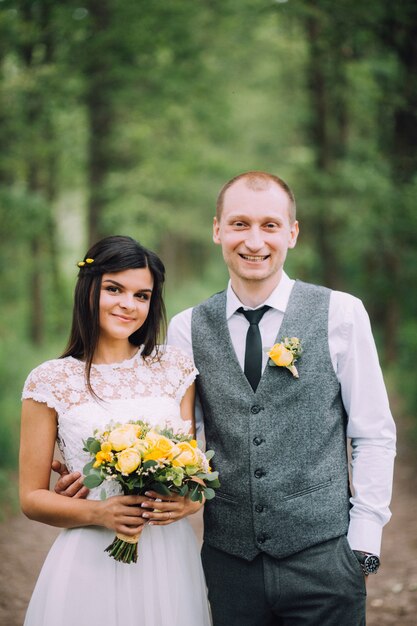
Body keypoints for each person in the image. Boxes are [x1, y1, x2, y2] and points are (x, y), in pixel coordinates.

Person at [55, 172, 396, 626]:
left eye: (270, 225)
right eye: (239, 224)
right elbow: (179, 437)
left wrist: (363, 545)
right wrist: (96, 473)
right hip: (228, 563)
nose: (254, 240)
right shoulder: (185, 327)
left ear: (292, 233)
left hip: (324, 559)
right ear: (217, 230)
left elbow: (372, 433)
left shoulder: (341, 313)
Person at [20, 235, 211, 626]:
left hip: (168, 555)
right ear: (89, 287)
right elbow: (31, 498)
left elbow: (192, 472)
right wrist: (99, 511)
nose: (128, 304)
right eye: (114, 289)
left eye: (142, 296)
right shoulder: (50, 381)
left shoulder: (174, 368)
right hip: (91, 552)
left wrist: (192, 502)